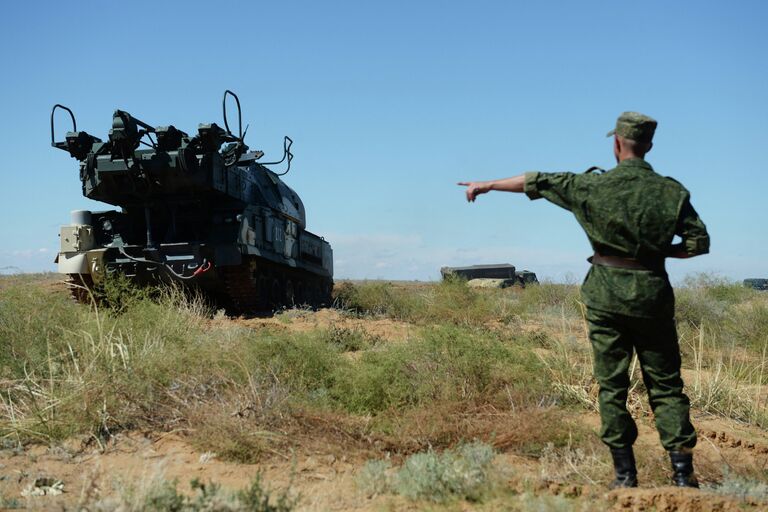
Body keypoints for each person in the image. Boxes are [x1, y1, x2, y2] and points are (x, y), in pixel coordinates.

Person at [458, 112, 709, 489]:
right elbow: (698, 244)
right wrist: (655, 254)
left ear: (616, 144)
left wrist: (488, 184)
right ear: (650, 146)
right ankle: (683, 477)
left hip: (606, 296)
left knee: (612, 386)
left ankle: (625, 477)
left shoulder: (591, 187)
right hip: (652, 296)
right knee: (667, 386)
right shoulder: (671, 192)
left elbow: (536, 181)